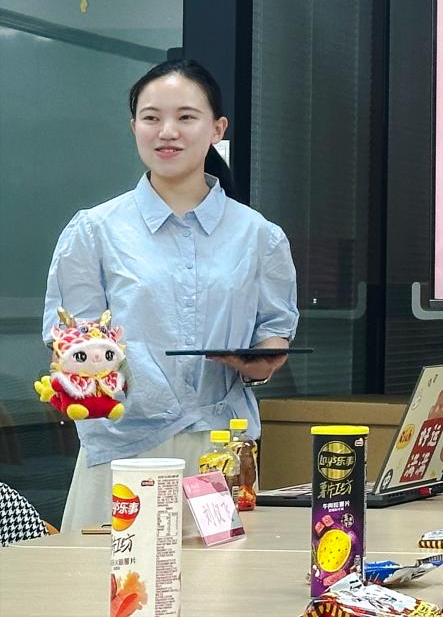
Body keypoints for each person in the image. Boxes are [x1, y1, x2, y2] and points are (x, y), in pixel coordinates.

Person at [42, 59, 299, 529]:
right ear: (134, 127)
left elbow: (274, 331)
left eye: (185, 116)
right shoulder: (93, 231)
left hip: (219, 448)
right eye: (151, 117)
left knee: (219, 575)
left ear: (217, 128)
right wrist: (86, 372)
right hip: (122, 449)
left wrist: (260, 362)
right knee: (110, 574)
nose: (167, 132)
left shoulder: (260, 236)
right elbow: (71, 340)